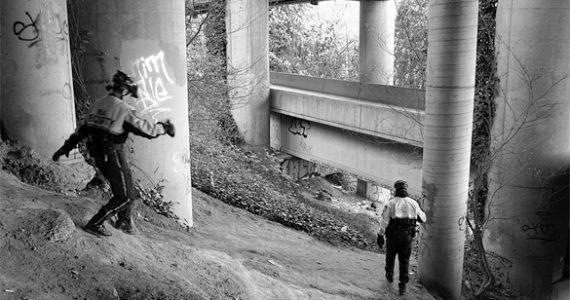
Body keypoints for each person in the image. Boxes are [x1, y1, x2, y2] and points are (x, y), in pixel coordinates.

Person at [52, 70, 175, 237]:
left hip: (98, 155)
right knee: (126, 196)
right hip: (113, 155)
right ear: (124, 90)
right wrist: (164, 128)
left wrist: (64, 149)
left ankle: (124, 221)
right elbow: (148, 131)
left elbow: (81, 132)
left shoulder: (97, 104)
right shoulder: (124, 109)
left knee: (125, 186)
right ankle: (96, 222)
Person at [377, 180, 426, 295]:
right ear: (406, 190)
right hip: (406, 238)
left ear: (396, 190)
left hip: (393, 237)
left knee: (390, 256)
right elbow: (423, 218)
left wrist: (380, 235)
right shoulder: (413, 203)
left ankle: (389, 274)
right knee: (404, 261)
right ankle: (402, 286)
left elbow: (384, 221)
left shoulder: (391, 203)